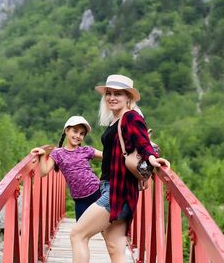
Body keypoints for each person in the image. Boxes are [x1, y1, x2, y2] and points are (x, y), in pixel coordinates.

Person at [70, 74, 170, 263]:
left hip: (118, 191)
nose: (112, 97)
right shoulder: (115, 121)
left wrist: (152, 158)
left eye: (118, 94)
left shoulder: (131, 116)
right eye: (109, 93)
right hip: (113, 188)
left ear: (129, 98)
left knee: (77, 234)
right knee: (115, 248)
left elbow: (143, 142)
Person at [30, 116, 103, 221]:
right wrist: (42, 155)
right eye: (75, 131)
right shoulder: (57, 153)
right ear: (66, 130)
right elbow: (43, 172)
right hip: (80, 200)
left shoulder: (86, 150)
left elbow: (109, 157)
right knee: (79, 233)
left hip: (97, 193)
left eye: (82, 134)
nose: (78, 136)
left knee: (105, 228)